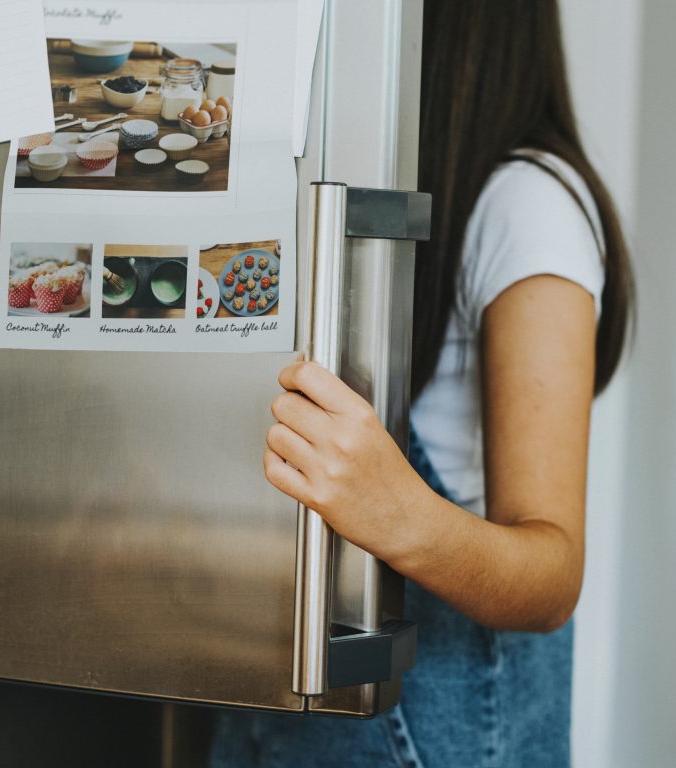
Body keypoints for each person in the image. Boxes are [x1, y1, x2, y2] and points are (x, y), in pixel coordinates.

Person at [210, 0, 634, 764]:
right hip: (275, 700)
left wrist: (396, 511)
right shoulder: (354, 183)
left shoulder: (529, 203)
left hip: (432, 733)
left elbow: (552, 575)